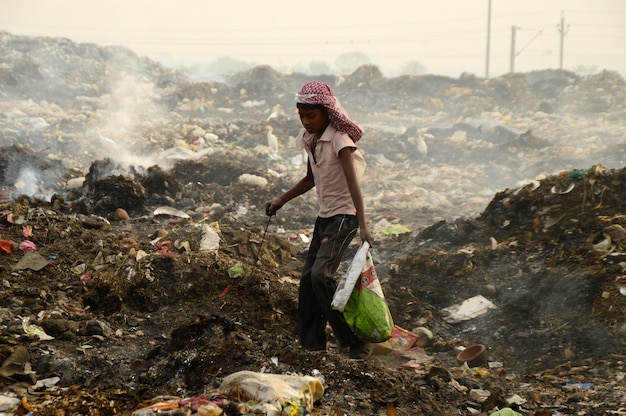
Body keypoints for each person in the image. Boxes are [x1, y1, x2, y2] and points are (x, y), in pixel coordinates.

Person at [265, 81, 375, 359]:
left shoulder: (340, 140)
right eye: (301, 115)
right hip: (325, 216)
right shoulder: (310, 139)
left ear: (327, 112)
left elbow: (353, 183)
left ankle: (353, 340)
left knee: (320, 275)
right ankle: (312, 344)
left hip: (344, 216)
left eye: (311, 115)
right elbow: (310, 179)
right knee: (306, 280)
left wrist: (363, 224)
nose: (306, 121)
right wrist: (281, 199)